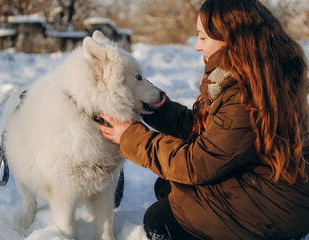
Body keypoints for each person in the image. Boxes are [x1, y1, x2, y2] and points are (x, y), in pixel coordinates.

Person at [98, 0, 309, 239]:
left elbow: (196, 164)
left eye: (203, 37)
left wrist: (131, 136)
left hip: (278, 207)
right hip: (274, 184)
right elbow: (215, 135)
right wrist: (161, 108)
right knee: (166, 186)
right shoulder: (257, 73)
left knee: (159, 220)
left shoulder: (246, 94)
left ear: (231, 37)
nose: (198, 46)